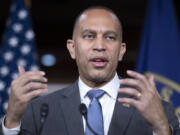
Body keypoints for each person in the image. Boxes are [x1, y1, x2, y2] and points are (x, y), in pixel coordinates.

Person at [0, 6, 180, 135]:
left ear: (121, 51)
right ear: (72, 48)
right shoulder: (39, 110)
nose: (99, 46)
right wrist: (13, 122)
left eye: (110, 37)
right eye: (89, 36)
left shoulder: (161, 112)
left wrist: (161, 129)